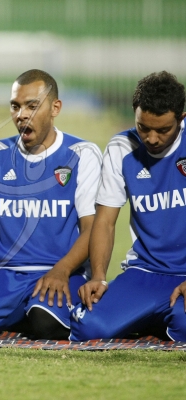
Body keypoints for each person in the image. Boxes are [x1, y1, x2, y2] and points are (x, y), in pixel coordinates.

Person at [0, 69, 103, 340]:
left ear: (55, 108)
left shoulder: (83, 154)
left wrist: (63, 269)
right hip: (5, 273)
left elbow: (92, 229)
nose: (22, 114)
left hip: (61, 271)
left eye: (32, 106)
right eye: (15, 106)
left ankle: (30, 311)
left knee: (45, 324)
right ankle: (18, 309)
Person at [70, 71, 186, 341]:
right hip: (145, 272)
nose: (152, 138)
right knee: (89, 328)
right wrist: (98, 277)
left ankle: (151, 317)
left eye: (163, 130)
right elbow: (105, 221)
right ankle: (152, 314)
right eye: (143, 127)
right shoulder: (121, 147)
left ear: (181, 119)